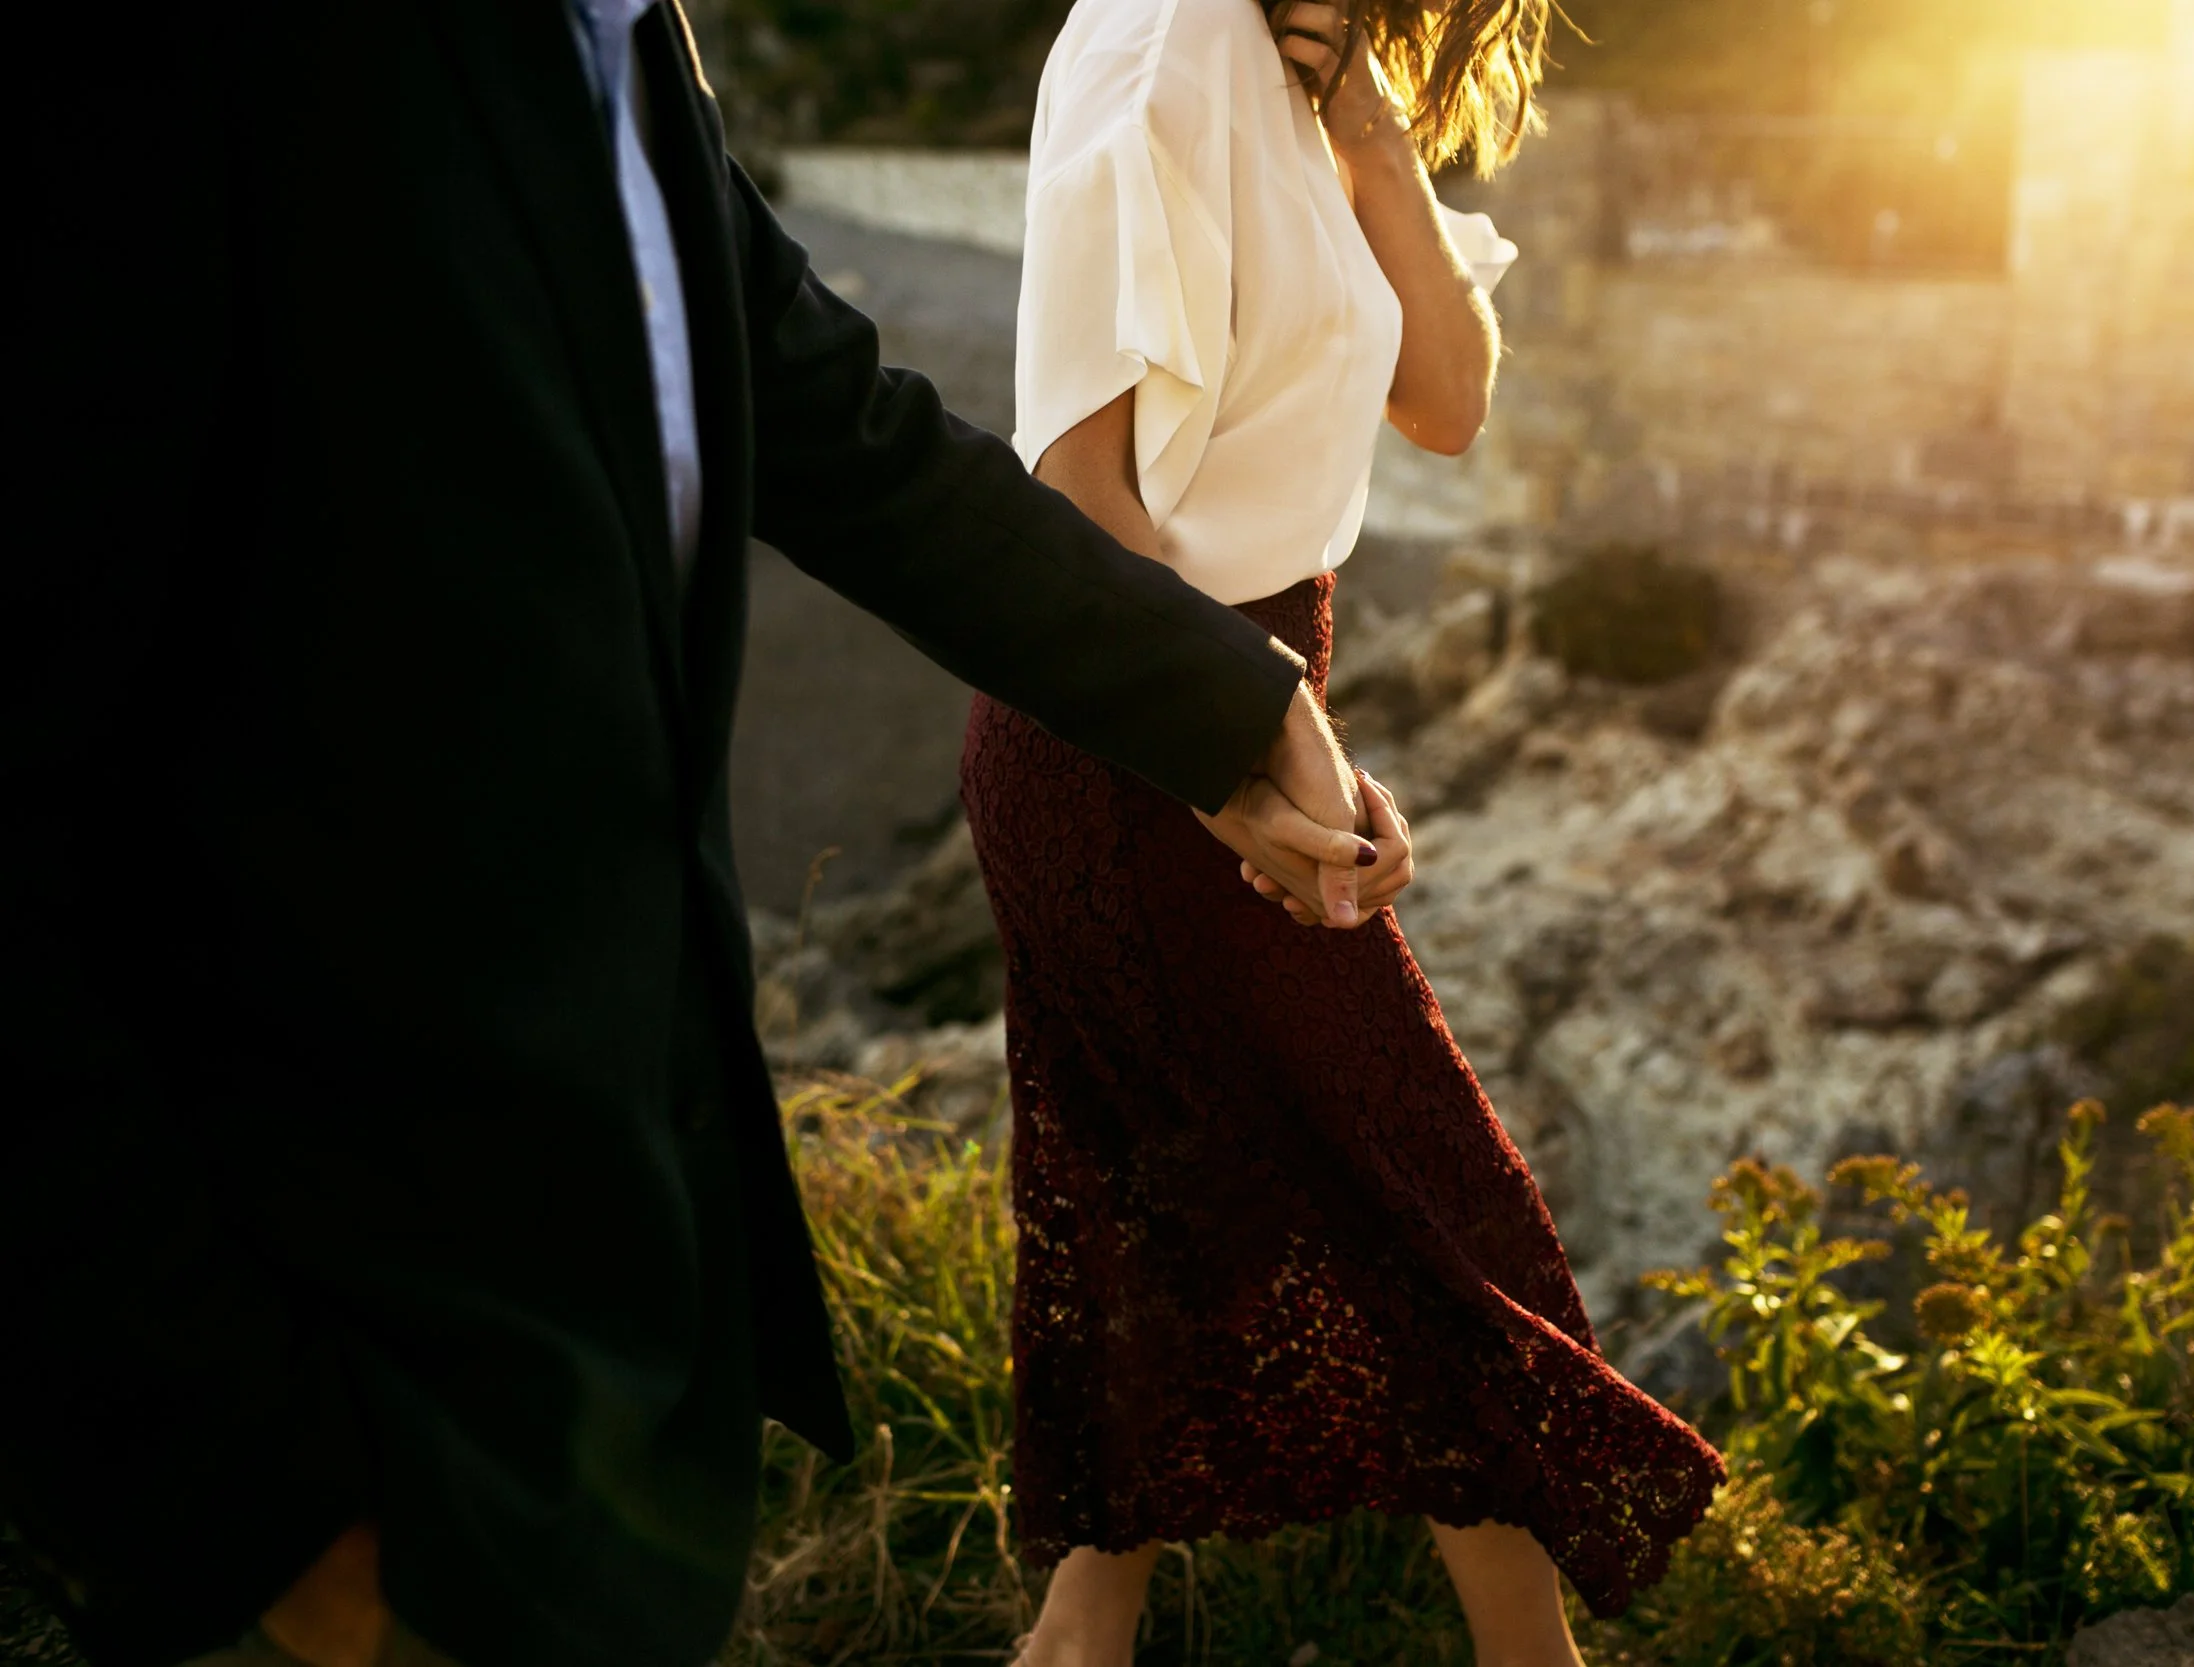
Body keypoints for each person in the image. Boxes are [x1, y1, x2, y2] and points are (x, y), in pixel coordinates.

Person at [0, 3, 1385, 1665]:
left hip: (617, 1409)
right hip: (340, 1439)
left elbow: (844, 434)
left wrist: (1228, 712)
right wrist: (253, 1511)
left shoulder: (615, 38)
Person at [961, 0, 1727, 1662]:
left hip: (1229, 700)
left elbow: (1447, 397)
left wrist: (1371, 118)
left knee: (1157, 1281)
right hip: (1133, 730)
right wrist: (1259, 748)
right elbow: (1081, 498)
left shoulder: (1319, 93)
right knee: (1435, 1224)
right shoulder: (1157, 44)